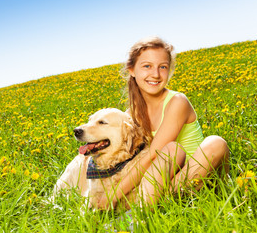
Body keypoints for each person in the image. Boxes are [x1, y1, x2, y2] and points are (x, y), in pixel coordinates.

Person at [96, 36, 230, 209]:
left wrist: (114, 196)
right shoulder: (130, 116)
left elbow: (154, 153)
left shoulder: (177, 102)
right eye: (147, 66)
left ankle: (140, 209)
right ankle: (139, 212)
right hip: (159, 184)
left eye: (163, 67)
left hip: (198, 178)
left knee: (213, 143)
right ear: (132, 70)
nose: (156, 74)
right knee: (168, 152)